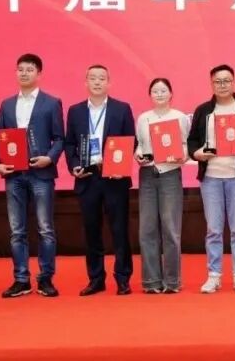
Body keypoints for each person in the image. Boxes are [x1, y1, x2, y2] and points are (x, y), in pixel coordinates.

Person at [0, 53, 65, 298]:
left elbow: (60, 138)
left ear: (39, 74)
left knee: (45, 229)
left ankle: (45, 278)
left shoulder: (51, 103)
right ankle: (21, 279)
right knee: (17, 231)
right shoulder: (6, 104)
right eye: (20, 69)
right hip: (14, 174)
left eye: (29, 69)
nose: (24, 73)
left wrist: (50, 158)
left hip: (41, 173)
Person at [187, 65, 235, 293]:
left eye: (227, 81)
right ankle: (214, 275)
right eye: (218, 81)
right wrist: (197, 153)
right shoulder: (203, 111)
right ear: (212, 84)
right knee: (214, 230)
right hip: (211, 177)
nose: (222, 85)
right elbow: (192, 141)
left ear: (234, 82)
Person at [64, 65, 136, 296]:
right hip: (87, 176)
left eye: (102, 78)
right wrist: (74, 165)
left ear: (109, 82)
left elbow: (131, 141)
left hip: (114, 177)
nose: (97, 82)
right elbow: (69, 143)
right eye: (93, 78)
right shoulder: (75, 111)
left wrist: (120, 166)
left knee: (119, 229)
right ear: (85, 82)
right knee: (91, 230)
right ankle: (96, 279)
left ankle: (123, 278)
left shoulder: (121, 109)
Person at [134, 77, 189, 294]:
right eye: (155, 91)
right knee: (147, 229)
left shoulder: (180, 117)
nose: (159, 94)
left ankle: (172, 281)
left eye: (163, 90)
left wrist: (181, 156)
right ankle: (151, 281)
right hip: (148, 174)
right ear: (150, 95)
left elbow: (185, 145)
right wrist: (139, 155)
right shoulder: (143, 118)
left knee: (171, 229)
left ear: (171, 94)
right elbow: (140, 145)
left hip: (170, 173)